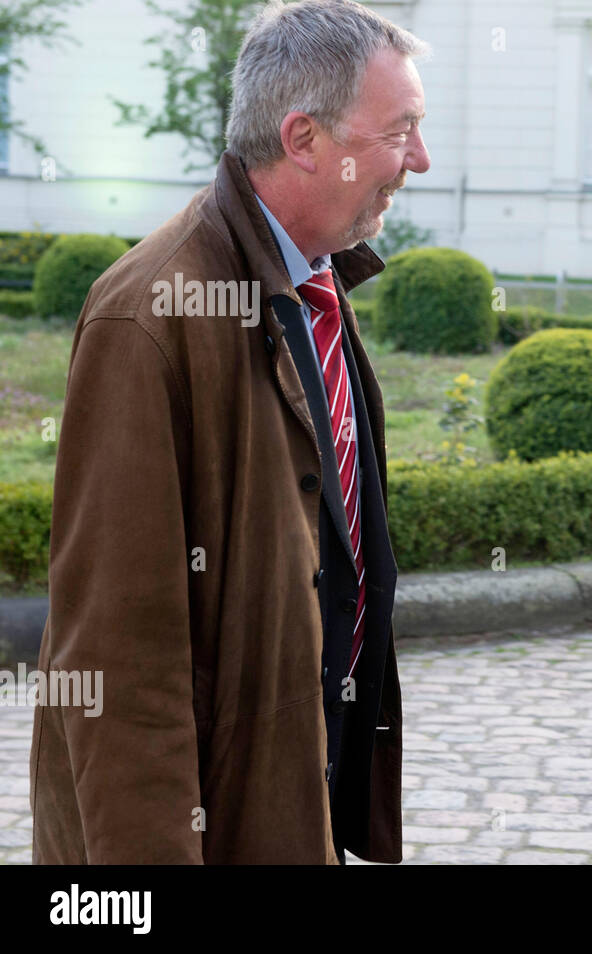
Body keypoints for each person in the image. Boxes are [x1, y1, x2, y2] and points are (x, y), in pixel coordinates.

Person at [30, 0, 430, 864]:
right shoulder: (149, 313)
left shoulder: (315, 280)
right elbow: (116, 663)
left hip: (289, 802)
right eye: (401, 133)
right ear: (304, 138)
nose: (421, 160)